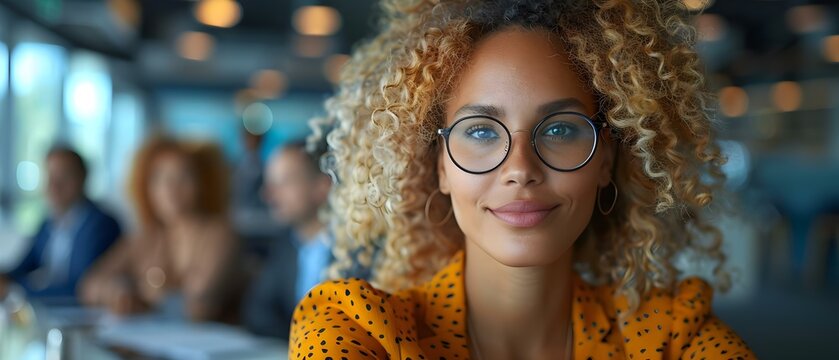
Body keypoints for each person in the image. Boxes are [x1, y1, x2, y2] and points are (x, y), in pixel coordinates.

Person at [289, 0, 757, 359]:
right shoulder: (360, 330)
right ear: (440, 167)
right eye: (479, 132)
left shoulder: (673, 337)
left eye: (558, 129)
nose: (519, 169)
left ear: (605, 161)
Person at [80, 137, 243, 322]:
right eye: (158, 178)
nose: (170, 188)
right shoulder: (146, 238)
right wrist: (116, 291)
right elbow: (90, 284)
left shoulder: (220, 235)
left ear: (203, 183)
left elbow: (199, 305)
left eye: (183, 176)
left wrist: (142, 294)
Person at [0, 145, 121, 301]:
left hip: (85, 315)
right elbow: (24, 266)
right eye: (49, 176)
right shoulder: (49, 223)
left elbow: (79, 287)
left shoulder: (101, 226)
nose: (53, 185)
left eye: (63, 176)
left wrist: (16, 290)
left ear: (82, 177)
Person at [242, 140, 333, 339]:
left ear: (322, 186)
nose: (267, 195)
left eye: (284, 182)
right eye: (270, 183)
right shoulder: (285, 244)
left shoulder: (358, 249)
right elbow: (258, 313)